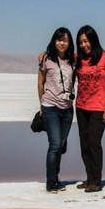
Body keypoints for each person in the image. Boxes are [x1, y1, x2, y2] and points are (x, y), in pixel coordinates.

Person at [73, 25, 105, 193]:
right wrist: (44, 54)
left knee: (94, 142)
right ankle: (89, 178)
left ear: (94, 40)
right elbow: (60, 56)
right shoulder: (79, 58)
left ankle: (96, 181)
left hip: (99, 108)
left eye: (87, 41)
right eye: (81, 42)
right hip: (81, 107)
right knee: (84, 144)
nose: (84, 45)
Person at [37, 27, 75, 193]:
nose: (62, 43)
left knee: (60, 145)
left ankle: (55, 178)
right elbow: (40, 82)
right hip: (50, 107)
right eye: (59, 39)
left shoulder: (73, 61)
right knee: (55, 145)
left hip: (67, 109)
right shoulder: (46, 59)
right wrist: (41, 104)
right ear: (54, 41)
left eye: (65, 40)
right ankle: (51, 182)